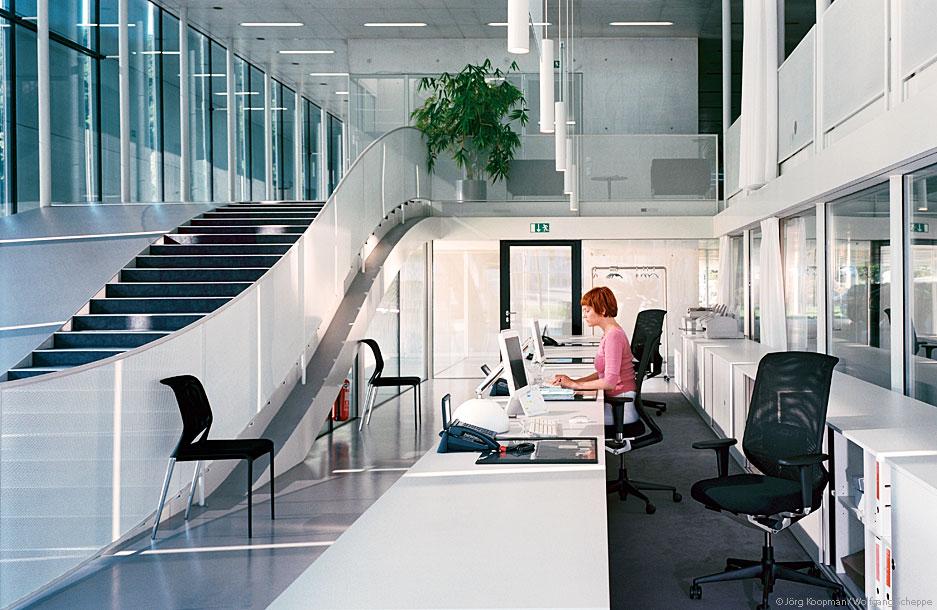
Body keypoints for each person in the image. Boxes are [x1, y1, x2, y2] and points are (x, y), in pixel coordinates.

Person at [549, 287, 638, 425]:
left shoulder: (614, 336)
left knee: (567, 419)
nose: (584, 315)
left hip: (620, 408)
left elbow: (609, 382)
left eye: (587, 310)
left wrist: (574, 385)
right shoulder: (610, 333)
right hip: (613, 400)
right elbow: (604, 373)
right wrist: (574, 382)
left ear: (602, 310)